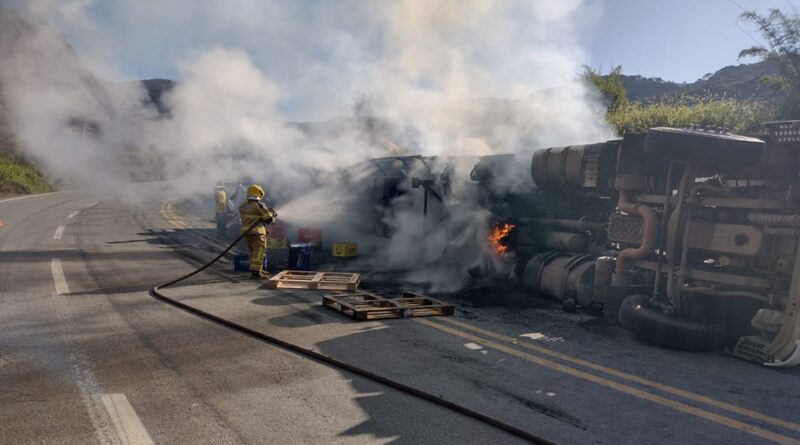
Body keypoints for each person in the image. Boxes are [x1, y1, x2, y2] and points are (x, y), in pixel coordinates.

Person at [239, 184, 277, 279]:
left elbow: (256, 217)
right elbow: (268, 220)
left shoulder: (243, 205)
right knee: (259, 252)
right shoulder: (259, 206)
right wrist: (273, 216)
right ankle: (256, 273)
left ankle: (257, 270)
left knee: (253, 252)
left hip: (246, 233)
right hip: (257, 233)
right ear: (260, 193)